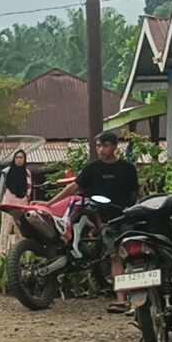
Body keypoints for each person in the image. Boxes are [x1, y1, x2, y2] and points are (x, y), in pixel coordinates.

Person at [47, 131, 139, 312]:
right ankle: (121, 300)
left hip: (127, 216)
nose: (101, 149)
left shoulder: (128, 168)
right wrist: (49, 204)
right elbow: (74, 186)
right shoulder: (93, 168)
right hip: (106, 220)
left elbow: (134, 194)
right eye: (98, 146)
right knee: (114, 256)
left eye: (105, 145)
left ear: (114, 147)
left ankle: (140, 299)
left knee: (133, 255)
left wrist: (129, 208)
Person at [0, 150, 32, 254]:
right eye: (17, 157)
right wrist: (0, 202)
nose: (19, 160)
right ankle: (3, 251)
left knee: (20, 228)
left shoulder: (27, 173)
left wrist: (27, 201)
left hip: (22, 203)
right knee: (6, 228)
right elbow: (2, 188)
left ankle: (18, 252)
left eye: (21, 158)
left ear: (24, 159)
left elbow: (29, 188)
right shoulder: (7, 172)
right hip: (8, 202)